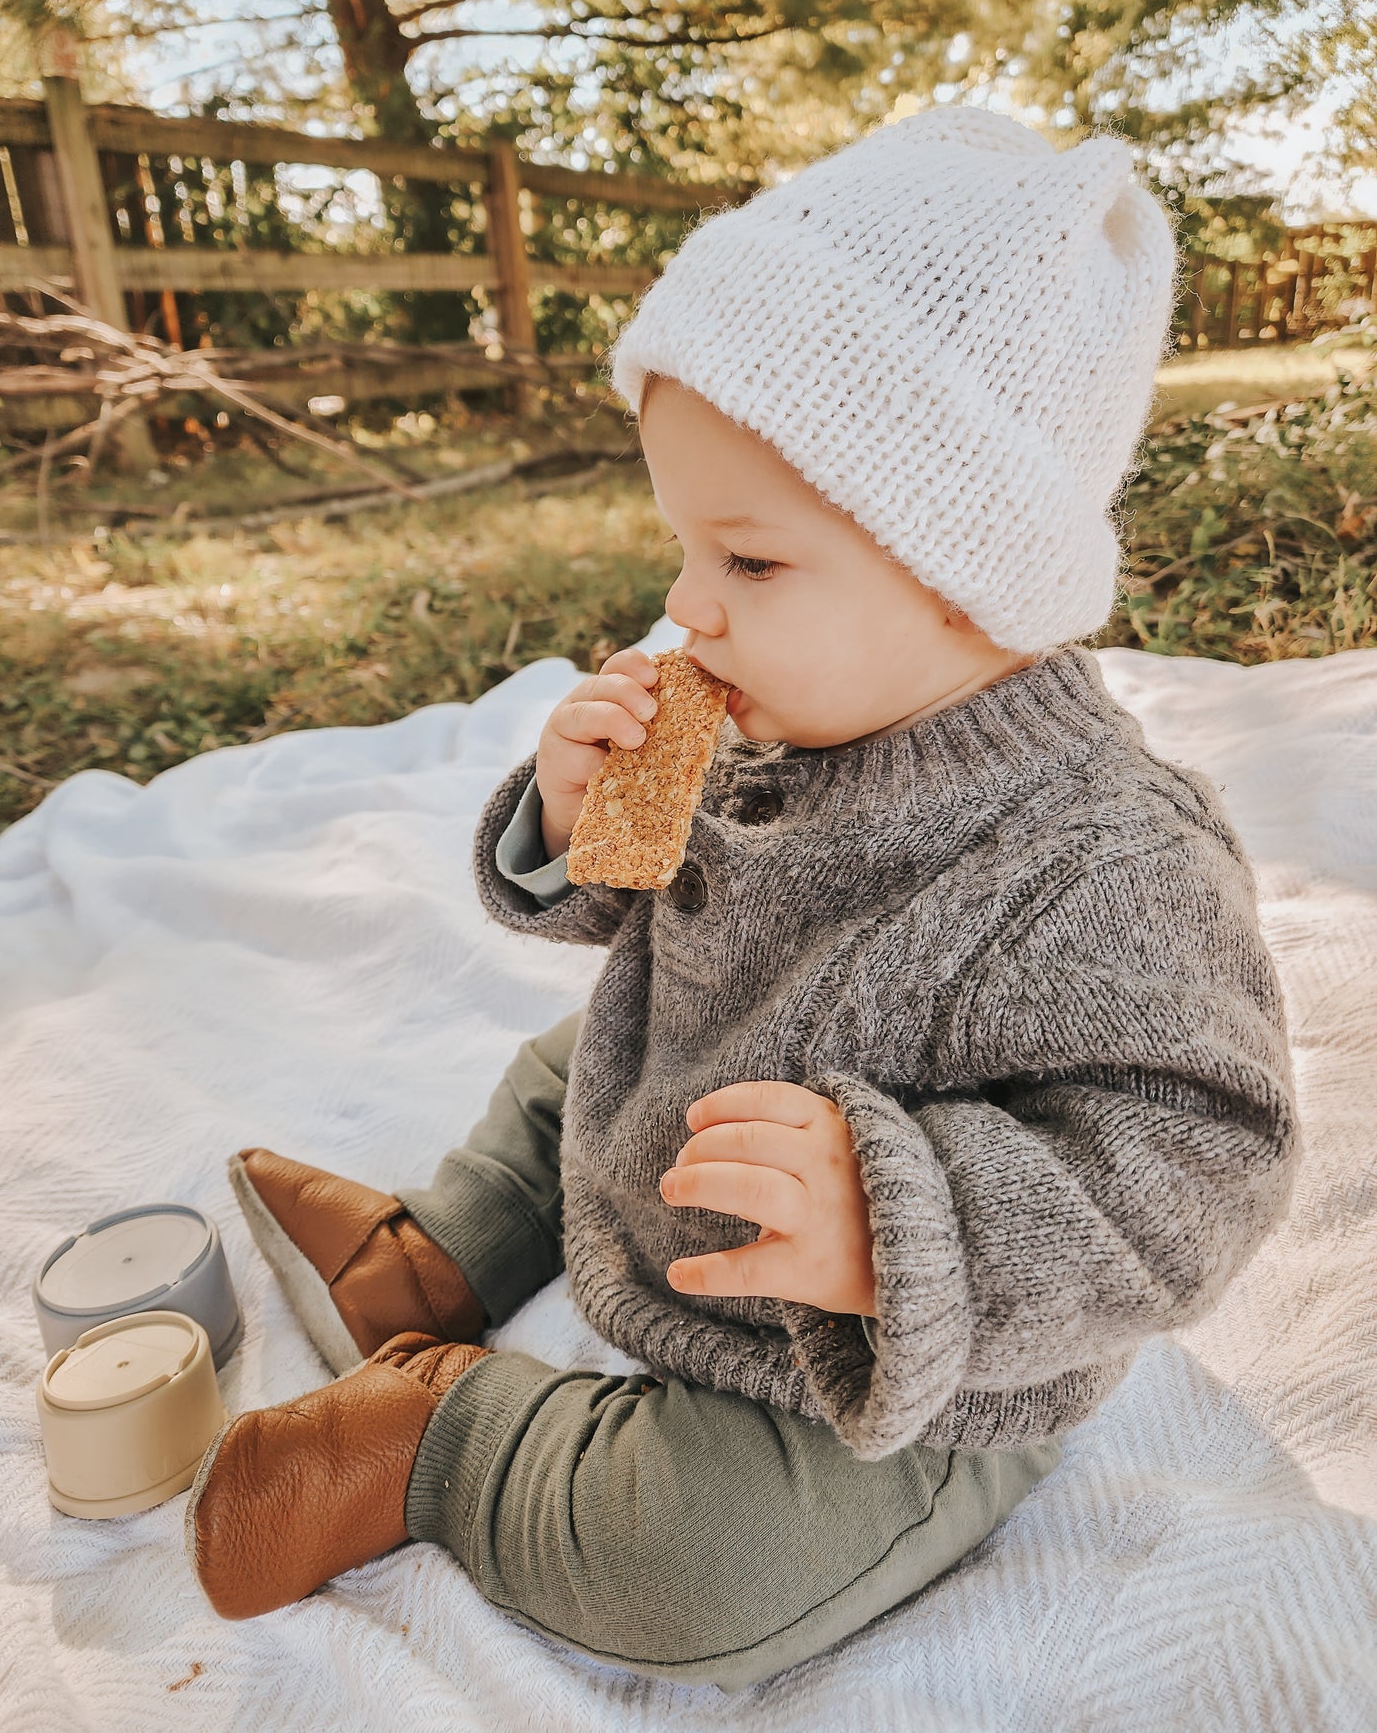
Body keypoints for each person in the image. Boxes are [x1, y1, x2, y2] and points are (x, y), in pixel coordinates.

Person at [183, 106, 1300, 1692]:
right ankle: (433, 1255)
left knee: (699, 1572)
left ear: (966, 575)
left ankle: (437, 1431)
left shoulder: (1103, 863)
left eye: (750, 563)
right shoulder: (776, 700)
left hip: (897, 1357)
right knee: (572, 1068)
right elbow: (630, 927)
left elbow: (1193, 1168)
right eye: (678, 547)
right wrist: (574, 827)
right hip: (683, 1128)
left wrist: (899, 1229)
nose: (685, 606)